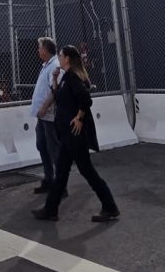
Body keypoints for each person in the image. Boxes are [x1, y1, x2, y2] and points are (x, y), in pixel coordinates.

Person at [32, 45, 120, 223]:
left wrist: (79, 117)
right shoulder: (66, 77)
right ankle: (51, 209)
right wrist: (55, 80)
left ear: (67, 59)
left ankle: (110, 206)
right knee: (62, 172)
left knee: (87, 171)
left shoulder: (73, 77)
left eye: (61, 55)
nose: (59, 57)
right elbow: (60, 97)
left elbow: (85, 99)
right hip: (67, 135)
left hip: (75, 134)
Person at [30, 37, 62, 195]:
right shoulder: (46, 65)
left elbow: (54, 90)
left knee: (53, 148)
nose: (38, 50)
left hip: (49, 116)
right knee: (42, 145)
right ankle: (49, 179)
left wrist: (44, 107)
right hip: (43, 117)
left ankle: (60, 184)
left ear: (45, 49)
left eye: (40, 48)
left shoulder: (54, 65)